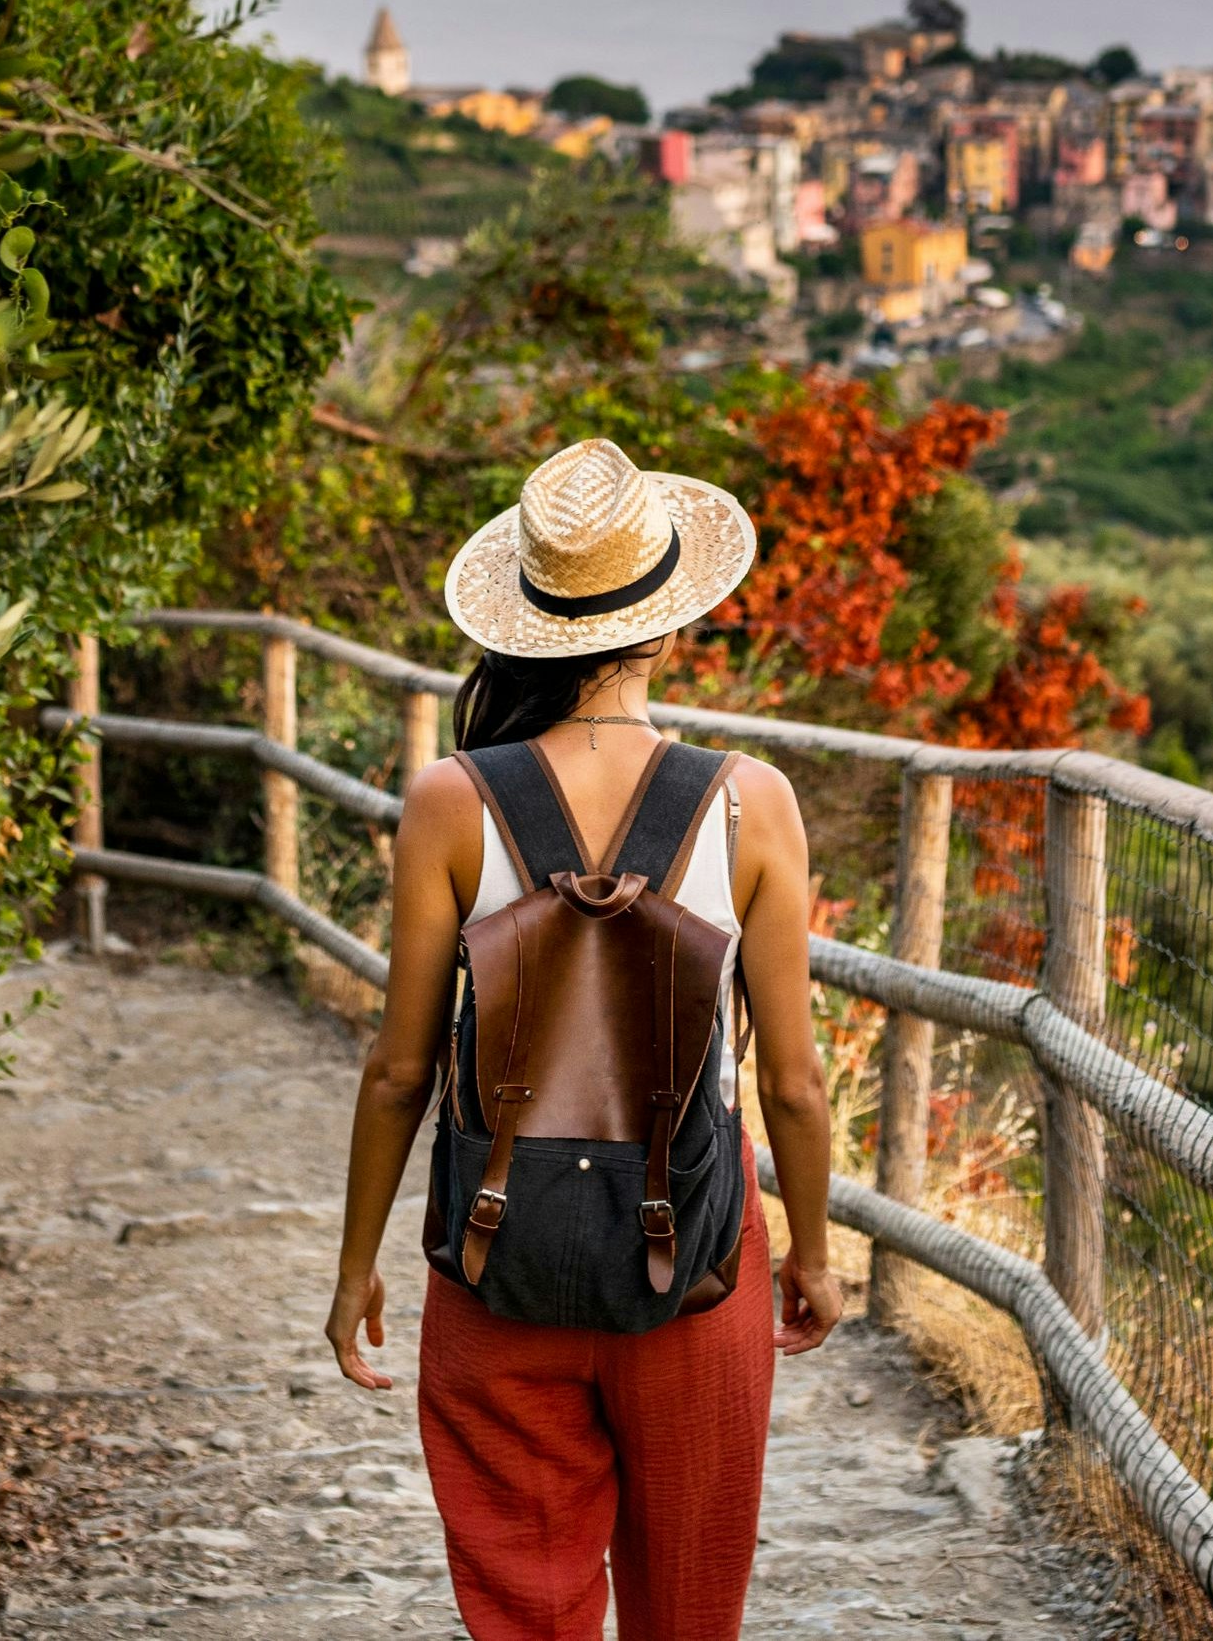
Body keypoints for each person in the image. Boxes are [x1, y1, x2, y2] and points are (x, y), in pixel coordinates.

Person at [322, 437, 846, 1641]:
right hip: (696, 1271)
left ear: (528, 624)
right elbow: (797, 1084)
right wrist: (811, 1255)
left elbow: (401, 1067)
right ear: (666, 629)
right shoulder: (748, 800)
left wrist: (358, 1265)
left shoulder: (453, 799)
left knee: (526, 1607)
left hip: (498, 1258)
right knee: (686, 1611)